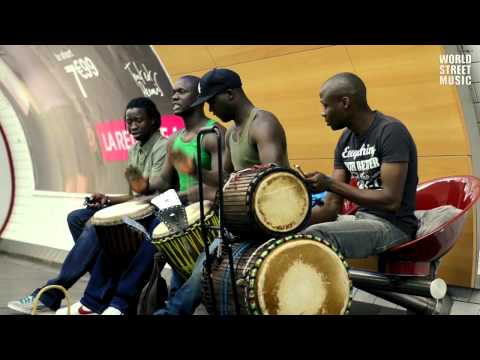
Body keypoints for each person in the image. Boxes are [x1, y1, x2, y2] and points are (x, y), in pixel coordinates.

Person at [55, 75, 225, 315]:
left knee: (149, 230)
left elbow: (224, 182)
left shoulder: (212, 133)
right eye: (173, 92)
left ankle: (118, 302)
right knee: (110, 228)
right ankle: (96, 302)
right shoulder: (175, 140)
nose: (173, 96)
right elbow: (162, 184)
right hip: (177, 204)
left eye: (181, 92)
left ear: (199, 97)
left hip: (206, 211)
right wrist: (141, 187)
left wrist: (190, 174)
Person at [7, 97, 169, 314]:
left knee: (96, 226)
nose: (132, 127)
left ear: (153, 121)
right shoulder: (134, 151)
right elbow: (135, 196)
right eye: (129, 122)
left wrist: (112, 204)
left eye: (138, 121)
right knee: (77, 217)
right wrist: (107, 200)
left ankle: (53, 293)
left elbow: (152, 195)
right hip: (140, 208)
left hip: (156, 211)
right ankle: (106, 285)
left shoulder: (163, 146)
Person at [154, 68, 290, 315]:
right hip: (241, 221)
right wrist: (195, 172)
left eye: (211, 102)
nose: (211, 110)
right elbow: (223, 180)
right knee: (196, 261)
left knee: (205, 267)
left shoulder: (263, 124)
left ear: (229, 94)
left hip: (267, 222)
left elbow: (274, 184)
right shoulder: (232, 134)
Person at [302, 72, 419, 259]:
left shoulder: (390, 131)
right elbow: (331, 206)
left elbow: (391, 200)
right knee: (292, 235)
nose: (323, 113)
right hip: (362, 220)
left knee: (314, 237)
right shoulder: (345, 140)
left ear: (345, 102)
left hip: (394, 227)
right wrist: (290, 223)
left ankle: (338, 288)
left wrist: (330, 184)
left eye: (326, 105)